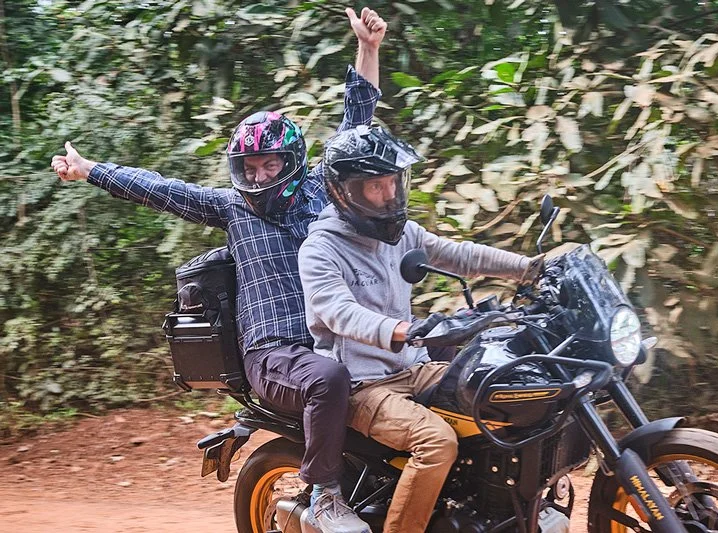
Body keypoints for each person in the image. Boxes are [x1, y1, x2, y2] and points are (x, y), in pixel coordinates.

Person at [50, 8, 387, 533]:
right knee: (329, 379)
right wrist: (90, 170)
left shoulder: (324, 192)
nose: (258, 176)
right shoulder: (232, 209)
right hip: (275, 353)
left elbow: (357, 124)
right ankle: (324, 495)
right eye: (249, 168)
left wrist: (368, 48)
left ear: (292, 163)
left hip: (336, 336)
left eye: (270, 165)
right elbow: (162, 189)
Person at [297, 125, 543, 533]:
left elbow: (458, 255)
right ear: (344, 192)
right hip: (364, 384)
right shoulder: (320, 249)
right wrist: (403, 330)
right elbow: (339, 312)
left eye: (393, 182)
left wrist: (528, 268)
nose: (389, 195)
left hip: (415, 367)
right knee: (436, 441)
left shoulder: (403, 233)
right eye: (375, 187)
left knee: (505, 391)